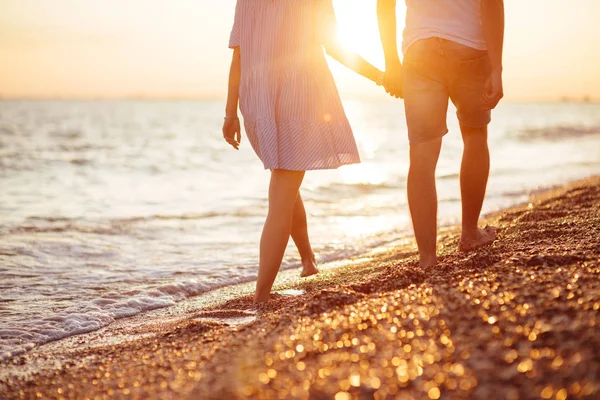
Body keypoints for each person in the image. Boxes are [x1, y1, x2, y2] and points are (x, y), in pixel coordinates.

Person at [223, 0, 384, 304]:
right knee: (283, 189)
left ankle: (308, 261)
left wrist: (231, 112)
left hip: (258, 100)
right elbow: (334, 45)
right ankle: (261, 296)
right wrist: (379, 75)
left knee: (283, 181)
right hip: (300, 96)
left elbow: (239, 56)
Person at [377, 0, 505, 267]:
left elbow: (385, 3)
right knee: (475, 137)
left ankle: (427, 258)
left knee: (422, 155)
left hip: (420, 52)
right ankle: (470, 232)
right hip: (469, 47)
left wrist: (391, 62)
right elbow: (491, 4)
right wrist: (496, 68)